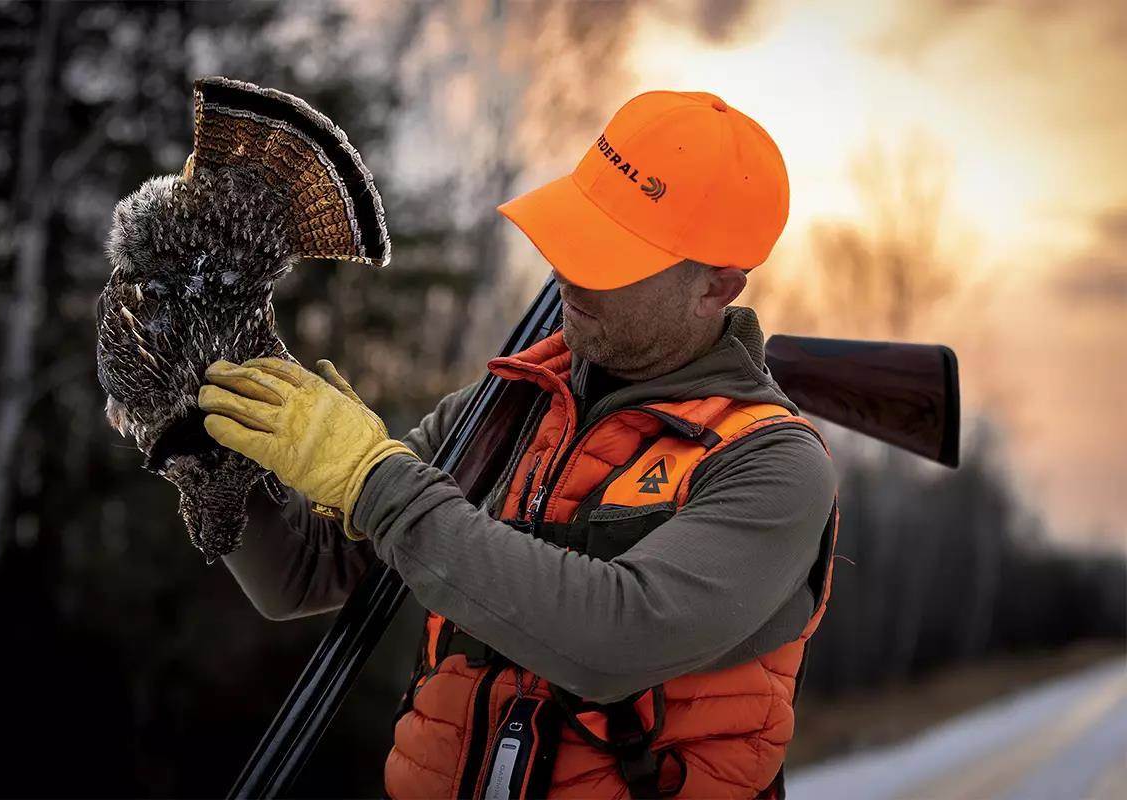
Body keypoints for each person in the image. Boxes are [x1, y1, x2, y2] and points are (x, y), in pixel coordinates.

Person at [196, 90, 839, 799]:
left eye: (610, 255)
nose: (567, 269)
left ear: (717, 287)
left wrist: (374, 479)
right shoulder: (507, 405)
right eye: (576, 233)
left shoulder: (772, 463)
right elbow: (301, 574)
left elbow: (611, 642)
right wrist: (198, 447)